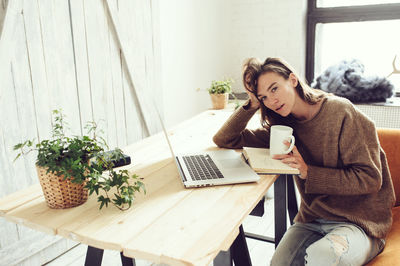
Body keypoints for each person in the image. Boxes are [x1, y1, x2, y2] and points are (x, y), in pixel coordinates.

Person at [212, 57, 396, 265]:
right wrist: (252, 103)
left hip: (359, 223)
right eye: (264, 97)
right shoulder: (283, 129)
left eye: (274, 89)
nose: (271, 101)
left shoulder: (341, 112)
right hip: (312, 219)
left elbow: (371, 179)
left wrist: (309, 172)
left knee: (323, 257)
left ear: (292, 79)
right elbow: (225, 139)